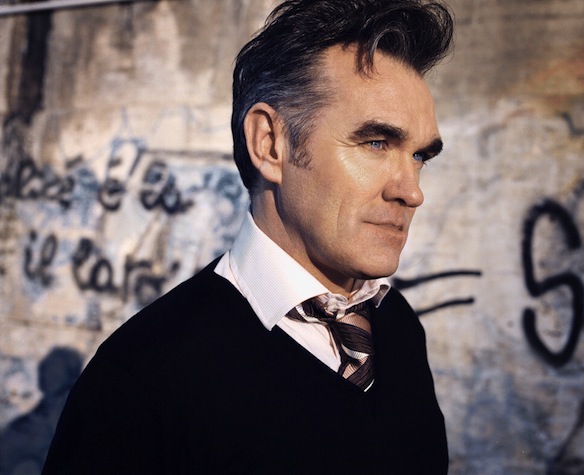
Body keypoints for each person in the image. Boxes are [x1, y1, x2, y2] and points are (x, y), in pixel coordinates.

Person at [43, 0, 454, 473]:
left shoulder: (396, 326)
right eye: (376, 143)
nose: (412, 191)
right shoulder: (143, 376)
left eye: (420, 156)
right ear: (270, 144)